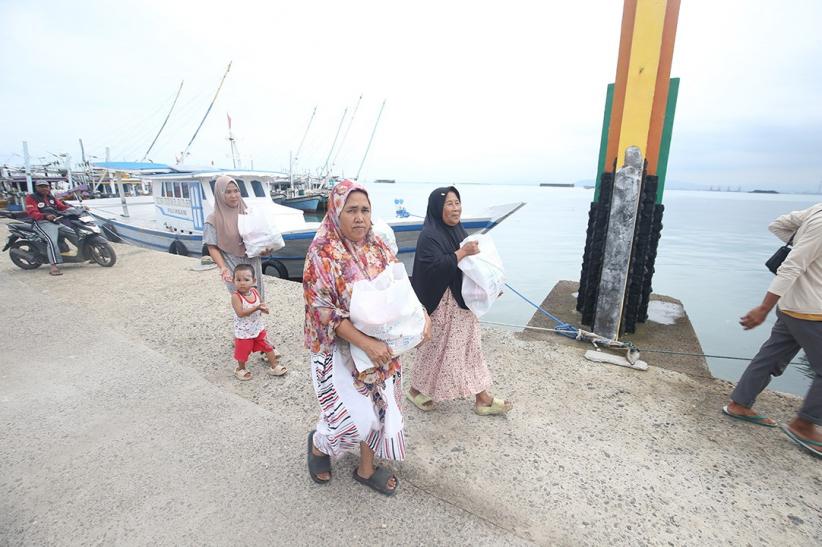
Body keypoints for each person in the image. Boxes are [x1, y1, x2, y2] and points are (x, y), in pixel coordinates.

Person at [303, 179, 430, 496]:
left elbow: (401, 288)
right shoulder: (322, 253)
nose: (360, 218)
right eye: (352, 210)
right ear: (336, 212)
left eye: (365, 210)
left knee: (379, 410)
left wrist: (422, 315)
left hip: (380, 346)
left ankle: (366, 468)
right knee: (351, 421)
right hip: (338, 347)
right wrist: (367, 343)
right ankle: (319, 446)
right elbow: (321, 309)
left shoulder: (379, 246)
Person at [724, 203, 822, 457]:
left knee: (771, 357)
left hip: (793, 305)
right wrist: (764, 308)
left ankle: (740, 404)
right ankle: (804, 425)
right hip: (810, 309)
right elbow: (791, 265)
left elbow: (778, 224)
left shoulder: (816, 211)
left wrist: (802, 243)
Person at [407, 186, 513, 416]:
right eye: (450, 204)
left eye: (457, 203)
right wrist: (462, 252)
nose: (456, 209)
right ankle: (415, 390)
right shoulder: (429, 236)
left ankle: (482, 398)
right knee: (436, 350)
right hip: (442, 304)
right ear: (438, 208)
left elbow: (472, 269)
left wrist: (489, 289)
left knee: (471, 349)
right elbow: (434, 268)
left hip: (462, 303)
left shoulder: (458, 232)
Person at [204, 175, 266, 301]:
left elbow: (258, 238)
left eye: (236, 191)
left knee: (257, 298)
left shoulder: (248, 212)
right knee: (241, 299)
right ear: (219, 194)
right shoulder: (213, 219)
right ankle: (243, 321)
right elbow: (212, 246)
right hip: (233, 264)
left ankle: (257, 320)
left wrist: (264, 249)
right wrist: (222, 267)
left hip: (253, 262)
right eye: (228, 192)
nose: (233, 195)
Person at [230, 264, 287, 381]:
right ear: (233, 280)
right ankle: (240, 369)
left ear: (254, 280)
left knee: (268, 347)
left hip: (257, 328)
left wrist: (264, 308)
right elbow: (240, 313)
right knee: (243, 352)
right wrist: (257, 308)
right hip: (244, 332)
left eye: (246, 280)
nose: (242, 283)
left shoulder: (255, 291)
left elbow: (261, 303)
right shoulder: (236, 297)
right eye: (238, 280)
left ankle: (274, 366)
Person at [24, 181, 70, 276]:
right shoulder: (31, 198)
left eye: (46, 186)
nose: (44, 188)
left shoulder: (51, 197)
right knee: (51, 241)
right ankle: (53, 266)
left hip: (55, 221)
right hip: (41, 223)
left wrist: (76, 208)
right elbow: (32, 212)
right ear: (36, 188)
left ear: (49, 187)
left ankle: (89, 254)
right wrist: (45, 216)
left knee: (73, 232)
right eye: (41, 186)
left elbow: (62, 207)